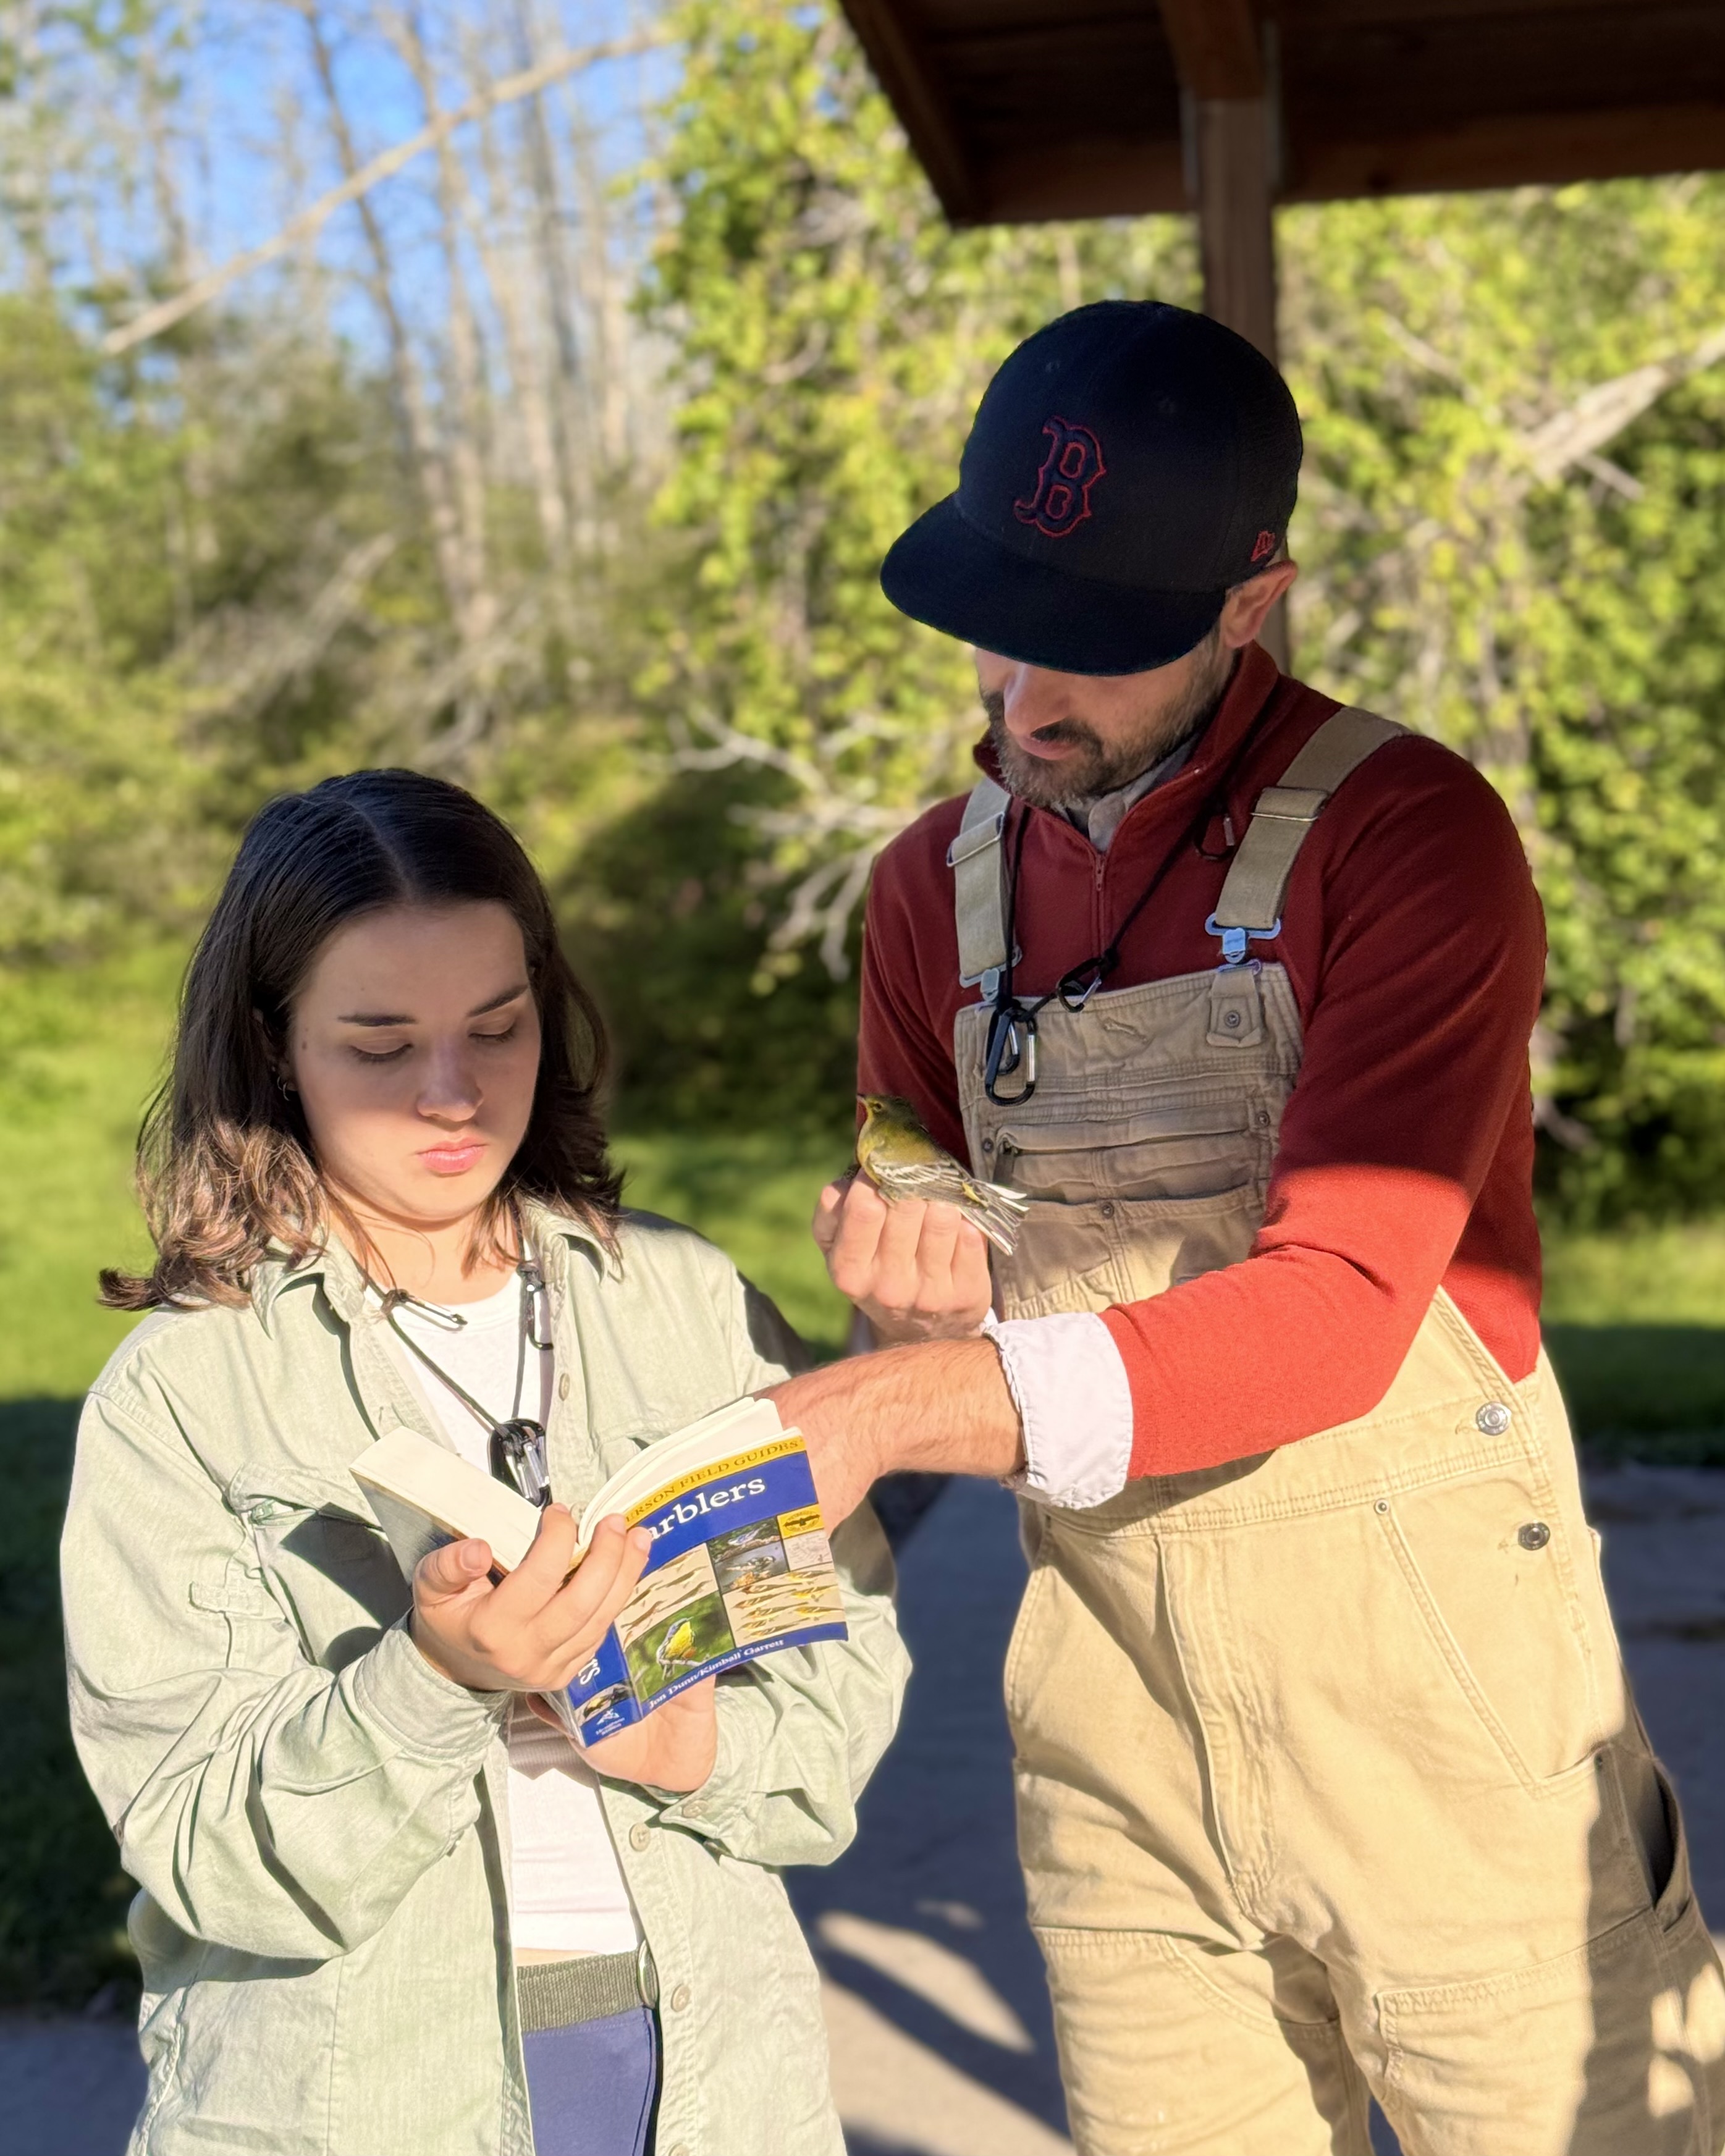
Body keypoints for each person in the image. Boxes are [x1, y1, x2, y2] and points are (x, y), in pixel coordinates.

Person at [767, 301, 1725, 2153]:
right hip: (1115, 1738)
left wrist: (900, 1412)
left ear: (1249, 600)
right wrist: (902, 1311)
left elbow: (1337, 1312)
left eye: (1094, 651)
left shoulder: (1411, 839)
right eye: (998, 623)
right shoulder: (919, 899)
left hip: (1447, 1729)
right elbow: (923, 1207)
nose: (1024, 702)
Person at [61, 769, 908, 2156]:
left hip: (712, 2079)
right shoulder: (185, 1392)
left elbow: (835, 1707)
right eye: (381, 1045)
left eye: (495, 1028)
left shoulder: (684, 1302)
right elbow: (205, 1850)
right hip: (361, 2097)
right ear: (274, 1045)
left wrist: (680, 1739)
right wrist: (438, 1678)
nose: (451, 1095)